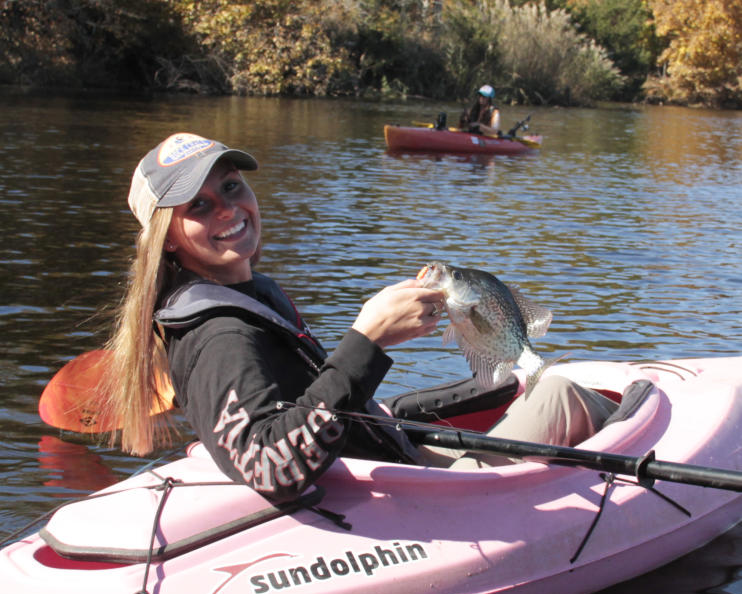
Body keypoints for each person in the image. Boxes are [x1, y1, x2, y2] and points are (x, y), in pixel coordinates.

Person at [107, 132, 615, 503]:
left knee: (544, 389)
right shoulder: (219, 335)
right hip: (403, 503)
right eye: (199, 205)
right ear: (167, 238)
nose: (229, 210)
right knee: (560, 392)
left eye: (233, 187)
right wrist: (368, 342)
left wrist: (371, 343)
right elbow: (267, 464)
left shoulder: (244, 296)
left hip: (387, 464)